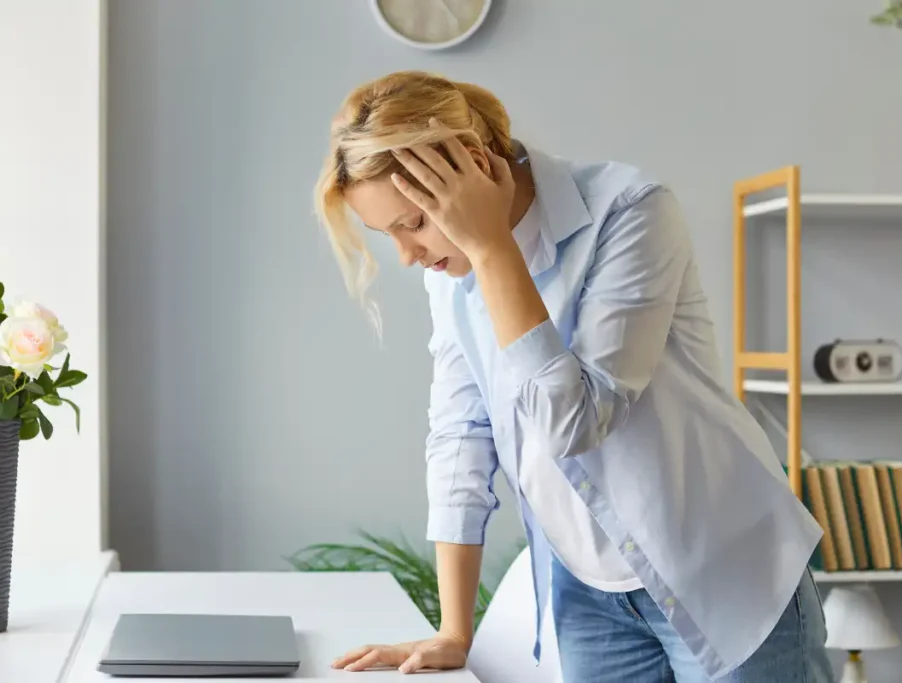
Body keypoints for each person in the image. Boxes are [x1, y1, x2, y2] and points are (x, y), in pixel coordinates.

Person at [315, 70, 833, 682]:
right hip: (588, 594)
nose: (408, 255)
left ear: (475, 167)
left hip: (721, 572)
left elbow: (577, 421)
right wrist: (454, 631)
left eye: (414, 223)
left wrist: (490, 249)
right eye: (388, 234)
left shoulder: (629, 210)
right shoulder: (450, 272)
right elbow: (460, 435)